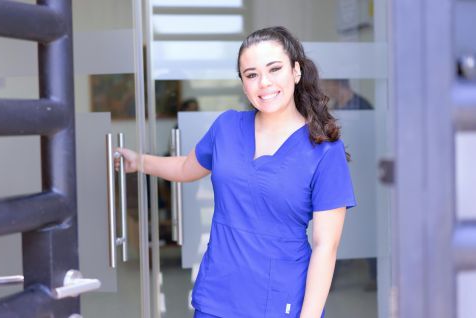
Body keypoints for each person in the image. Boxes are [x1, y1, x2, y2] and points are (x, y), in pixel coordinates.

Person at [115, 26, 356, 318]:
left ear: (296, 71)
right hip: (216, 297)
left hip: (279, 302)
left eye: (274, 69)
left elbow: (325, 247)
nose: (264, 83)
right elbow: (184, 167)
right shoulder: (226, 127)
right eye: (251, 74)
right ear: (243, 84)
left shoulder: (324, 150)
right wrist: (138, 161)